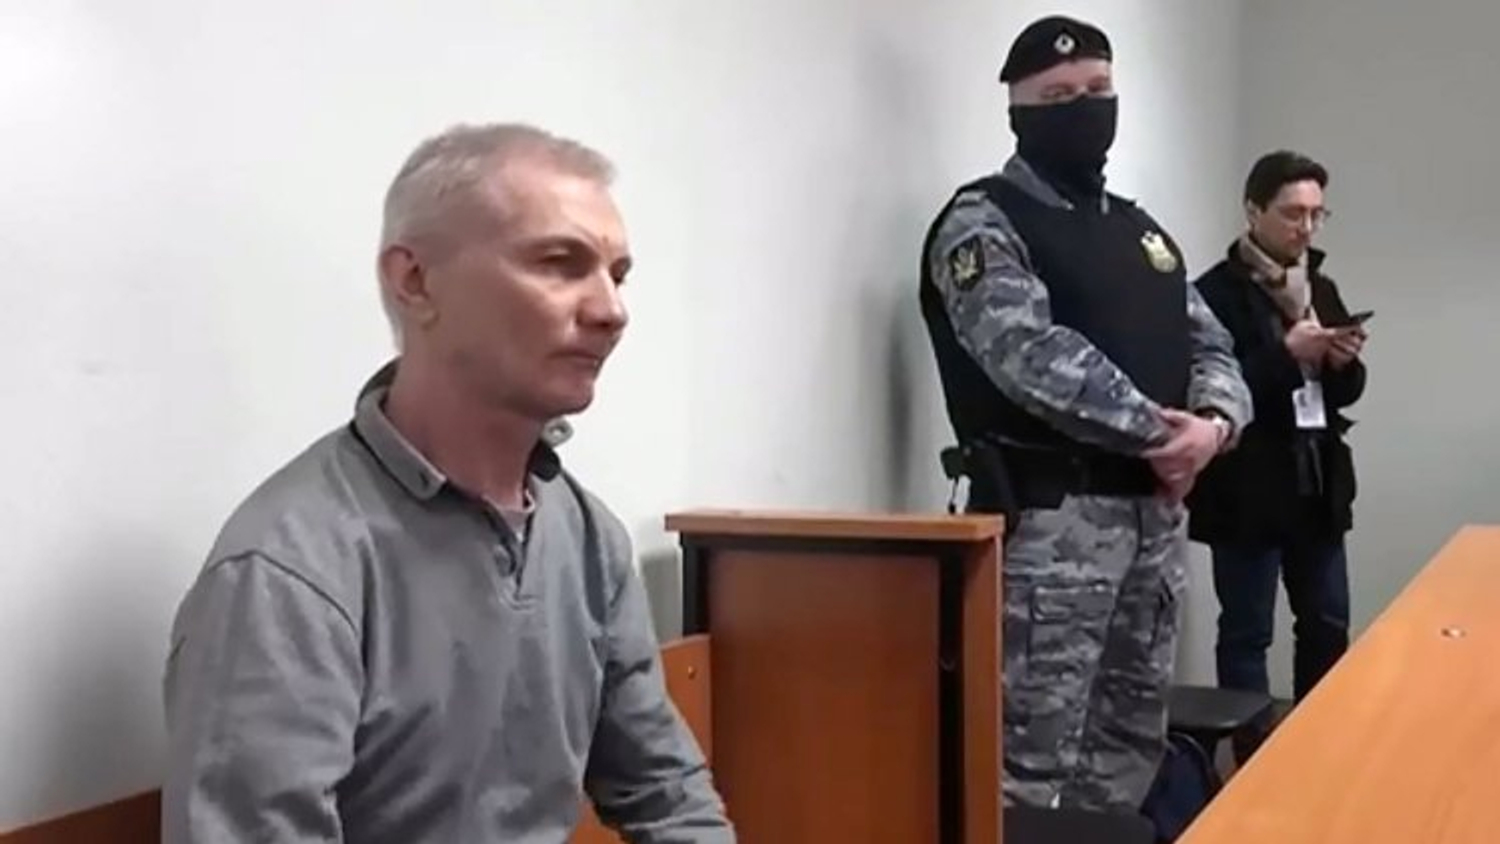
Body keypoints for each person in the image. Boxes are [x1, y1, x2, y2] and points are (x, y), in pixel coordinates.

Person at [162, 123, 735, 843]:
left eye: (616, 276)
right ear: (415, 282)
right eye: (560, 263)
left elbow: (667, 794)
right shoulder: (288, 571)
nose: (611, 310)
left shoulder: (587, 535)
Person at [918, 16, 1253, 811]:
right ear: (1017, 111)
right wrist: (1164, 435)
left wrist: (1213, 428)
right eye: (1057, 95)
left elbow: (1213, 343)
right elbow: (1028, 355)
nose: (1083, 107)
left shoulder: (1142, 234)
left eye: (1098, 89)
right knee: (1026, 765)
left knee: (1127, 751)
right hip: (1050, 534)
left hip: (1153, 527)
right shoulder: (983, 221)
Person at [1187, 151, 1366, 725]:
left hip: (1318, 483)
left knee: (1328, 621)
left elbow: (1346, 394)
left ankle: (1320, 736)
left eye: (1317, 214)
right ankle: (1252, 752)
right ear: (1253, 211)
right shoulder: (1212, 294)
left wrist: (1342, 362)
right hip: (1247, 488)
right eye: (1293, 213)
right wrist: (1288, 356)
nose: (1306, 228)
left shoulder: (1321, 287)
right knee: (1247, 631)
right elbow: (1211, 390)